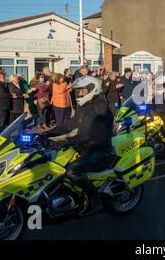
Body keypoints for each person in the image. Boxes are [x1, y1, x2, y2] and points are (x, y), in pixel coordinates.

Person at [42, 76, 114, 215]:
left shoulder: (101, 108)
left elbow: (90, 135)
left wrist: (66, 142)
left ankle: (95, 199)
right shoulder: (84, 106)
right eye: (79, 91)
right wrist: (46, 134)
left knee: (72, 171)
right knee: (56, 164)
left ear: (92, 90)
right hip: (84, 146)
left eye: (82, 91)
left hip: (99, 148)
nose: (79, 94)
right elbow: (70, 125)